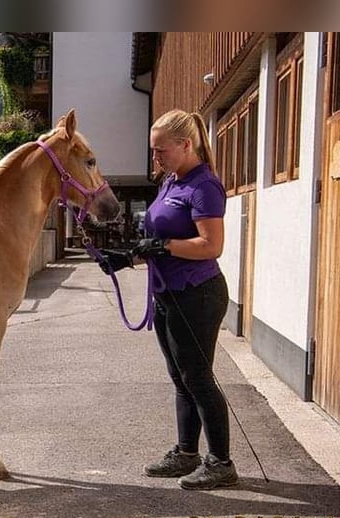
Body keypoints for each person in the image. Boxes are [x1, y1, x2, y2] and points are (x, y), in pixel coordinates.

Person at [98, 109, 236, 490]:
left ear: (186, 145)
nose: (155, 159)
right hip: (168, 295)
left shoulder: (203, 186)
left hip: (197, 295)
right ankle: (186, 453)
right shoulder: (171, 183)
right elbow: (160, 244)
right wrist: (127, 258)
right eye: (153, 151)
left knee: (198, 377)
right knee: (181, 378)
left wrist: (164, 244)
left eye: (161, 151)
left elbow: (212, 246)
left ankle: (221, 462)